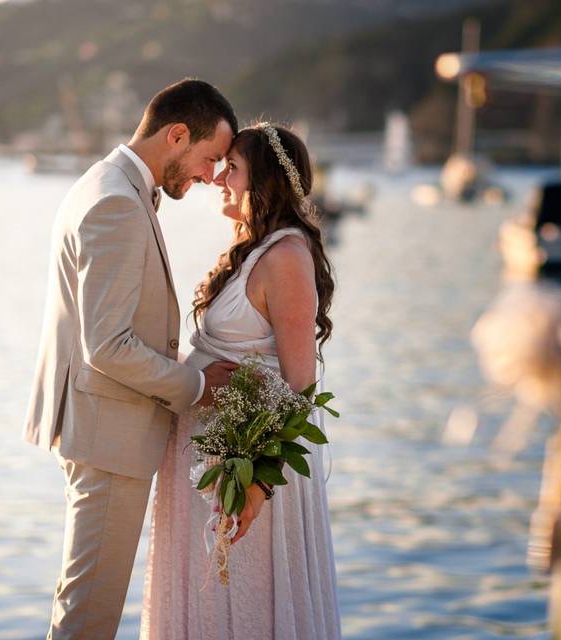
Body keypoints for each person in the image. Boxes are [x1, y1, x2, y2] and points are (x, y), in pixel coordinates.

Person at [22, 78, 241, 639]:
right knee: (89, 618)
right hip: (109, 435)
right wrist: (194, 384)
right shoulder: (118, 202)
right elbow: (109, 346)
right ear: (175, 135)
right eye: (209, 157)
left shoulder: (108, 182)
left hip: (98, 427)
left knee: (83, 603)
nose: (210, 175)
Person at [141, 123, 341, 639]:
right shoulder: (254, 250)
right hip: (207, 452)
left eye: (232, 168)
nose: (219, 179)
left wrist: (255, 484)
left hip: (249, 470)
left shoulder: (287, 257)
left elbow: (300, 386)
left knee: (242, 603)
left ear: (265, 180)